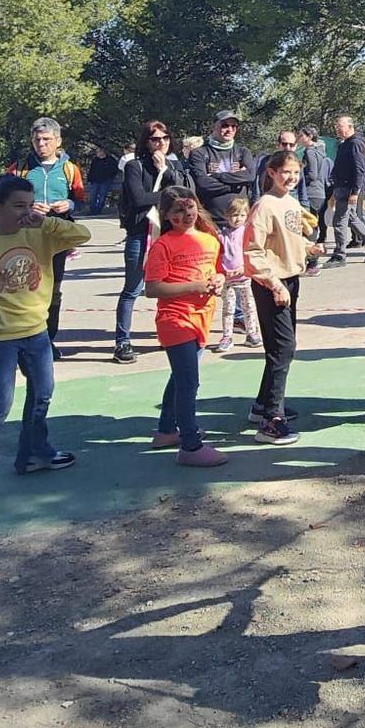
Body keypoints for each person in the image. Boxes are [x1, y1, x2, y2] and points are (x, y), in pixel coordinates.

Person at [0, 175, 88, 509]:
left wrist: (48, 220)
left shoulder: (40, 233)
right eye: (17, 206)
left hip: (36, 333)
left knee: (43, 395)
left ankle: (34, 454)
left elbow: (82, 235)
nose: (25, 212)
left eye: (29, 205)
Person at [139, 189, 228, 468]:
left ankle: (166, 431)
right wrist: (193, 287)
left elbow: (218, 270)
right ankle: (190, 445)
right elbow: (152, 288)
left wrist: (219, 280)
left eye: (189, 208)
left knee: (180, 378)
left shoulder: (209, 240)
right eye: (177, 211)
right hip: (175, 320)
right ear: (165, 215)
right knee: (189, 381)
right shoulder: (163, 245)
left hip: (202, 318)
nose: (185, 215)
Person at [244, 149, 325, 445]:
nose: (291, 178)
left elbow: (287, 239)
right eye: (285, 172)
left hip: (290, 280)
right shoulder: (264, 205)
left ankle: (263, 405)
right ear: (271, 173)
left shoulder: (290, 203)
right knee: (283, 348)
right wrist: (274, 284)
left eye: (295, 172)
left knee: (281, 347)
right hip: (272, 285)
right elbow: (253, 251)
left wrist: (308, 248)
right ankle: (271, 421)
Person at [114, 120, 191, 364]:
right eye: (156, 139)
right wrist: (169, 195)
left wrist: (167, 172)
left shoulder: (176, 165)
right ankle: (122, 342)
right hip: (141, 233)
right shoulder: (134, 166)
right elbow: (139, 198)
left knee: (167, 287)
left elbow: (188, 194)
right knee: (133, 288)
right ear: (146, 142)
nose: (161, 144)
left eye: (165, 138)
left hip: (168, 234)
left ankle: (168, 334)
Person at [19, 116, 88, 359]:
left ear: (58, 141)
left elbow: (81, 201)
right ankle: (24, 341)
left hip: (57, 237)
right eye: (37, 139)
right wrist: (27, 208)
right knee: (26, 288)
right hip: (25, 237)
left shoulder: (70, 169)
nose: (41, 144)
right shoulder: (20, 167)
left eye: (47, 139)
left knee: (53, 290)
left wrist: (67, 204)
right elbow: (4, 198)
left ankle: (48, 340)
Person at [211, 195, 260, 354]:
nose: (238, 219)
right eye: (234, 215)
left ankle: (252, 334)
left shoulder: (247, 232)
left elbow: (253, 252)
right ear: (227, 216)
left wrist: (244, 266)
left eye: (241, 215)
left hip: (245, 278)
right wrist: (223, 271)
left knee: (249, 307)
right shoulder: (222, 235)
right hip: (228, 279)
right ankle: (227, 336)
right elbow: (218, 253)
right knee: (228, 308)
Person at [325, 115, 365, 264]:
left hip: (349, 189)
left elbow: (360, 169)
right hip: (341, 188)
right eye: (336, 126)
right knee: (352, 219)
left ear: (349, 126)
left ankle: (339, 255)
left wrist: (355, 191)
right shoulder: (344, 144)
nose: (337, 128)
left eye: (339, 125)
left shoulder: (356, 143)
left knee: (339, 221)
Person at [188, 111, 256, 212]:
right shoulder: (199, 153)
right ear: (213, 127)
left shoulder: (243, 152)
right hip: (211, 219)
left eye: (234, 126)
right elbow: (203, 183)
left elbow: (250, 176)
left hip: (240, 219)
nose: (230, 130)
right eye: (225, 125)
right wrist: (237, 184)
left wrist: (217, 176)